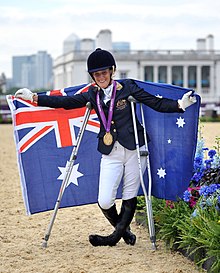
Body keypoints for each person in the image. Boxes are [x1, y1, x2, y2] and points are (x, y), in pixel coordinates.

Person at [15, 48, 196, 247]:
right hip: (111, 151)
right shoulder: (92, 93)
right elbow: (65, 102)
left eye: (104, 72)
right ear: (92, 76)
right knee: (104, 200)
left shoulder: (127, 87)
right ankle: (124, 232)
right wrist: (34, 98)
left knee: (129, 193)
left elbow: (155, 103)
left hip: (136, 148)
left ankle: (112, 238)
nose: (101, 77)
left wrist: (180, 104)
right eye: (96, 74)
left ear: (112, 71)